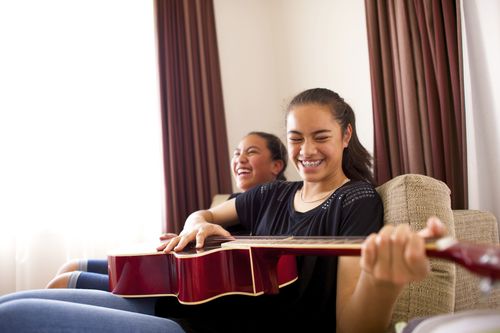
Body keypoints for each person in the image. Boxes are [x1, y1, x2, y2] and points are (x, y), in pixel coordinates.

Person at [0, 88, 446, 333]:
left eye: (320, 136)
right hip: (181, 306)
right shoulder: (272, 194)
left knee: (12, 317)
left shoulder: (356, 200)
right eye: (295, 138)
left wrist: (381, 283)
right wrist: (199, 227)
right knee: (15, 300)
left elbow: (350, 327)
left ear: (346, 135)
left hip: (203, 330)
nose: (306, 150)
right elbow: (206, 215)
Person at [45, 131, 288, 291]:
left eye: (252, 152)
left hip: (187, 283)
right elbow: (202, 220)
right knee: (70, 266)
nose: (240, 159)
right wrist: (189, 236)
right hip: (178, 266)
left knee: (64, 281)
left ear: (277, 165)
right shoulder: (232, 201)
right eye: (237, 153)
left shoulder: (276, 205)